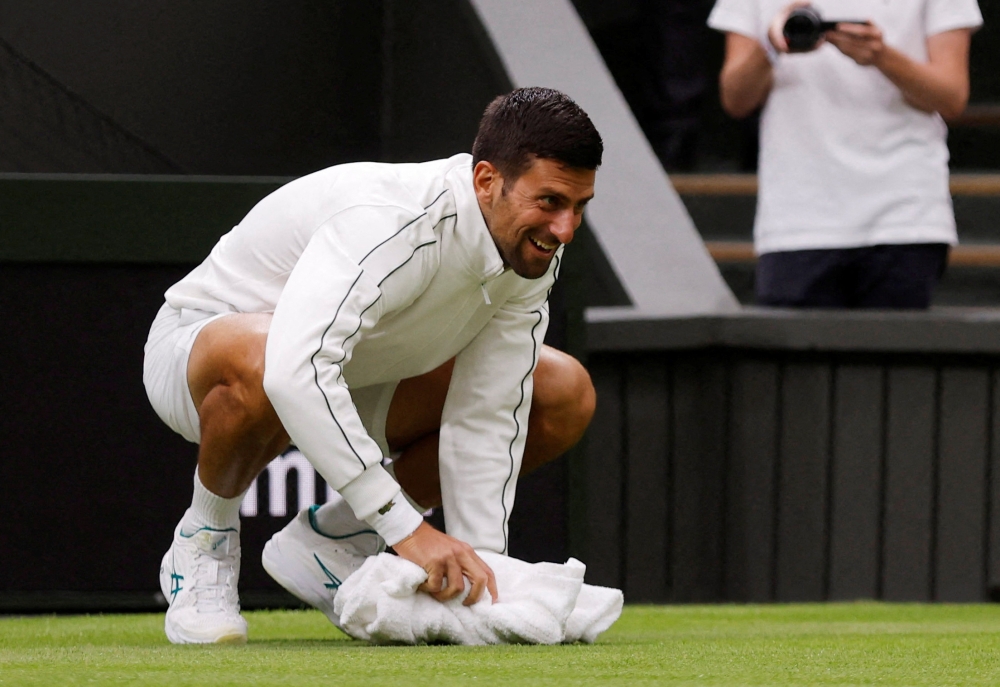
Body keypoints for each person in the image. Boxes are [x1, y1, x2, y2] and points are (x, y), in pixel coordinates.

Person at [142, 87, 602, 644]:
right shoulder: (391, 219)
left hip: (358, 373)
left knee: (558, 390)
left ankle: (334, 540)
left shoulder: (529, 251)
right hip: (199, 360)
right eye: (550, 201)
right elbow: (295, 369)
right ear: (486, 181)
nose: (565, 229)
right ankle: (203, 541)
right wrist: (407, 530)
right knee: (270, 355)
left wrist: (483, 570)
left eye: (579, 207)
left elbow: (489, 408)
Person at [708, 0, 983, 308]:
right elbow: (735, 100)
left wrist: (881, 56)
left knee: (895, 353)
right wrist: (773, 44)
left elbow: (951, 97)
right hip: (797, 217)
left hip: (903, 213)